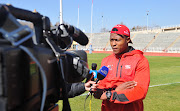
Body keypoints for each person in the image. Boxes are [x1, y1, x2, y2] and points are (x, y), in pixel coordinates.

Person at [93, 24, 150, 111]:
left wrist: (110, 95)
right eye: (111, 40)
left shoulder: (140, 60)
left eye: (117, 40)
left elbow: (140, 92)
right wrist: (115, 90)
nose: (113, 44)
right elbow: (100, 87)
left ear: (127, 39)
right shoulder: (106, 61)